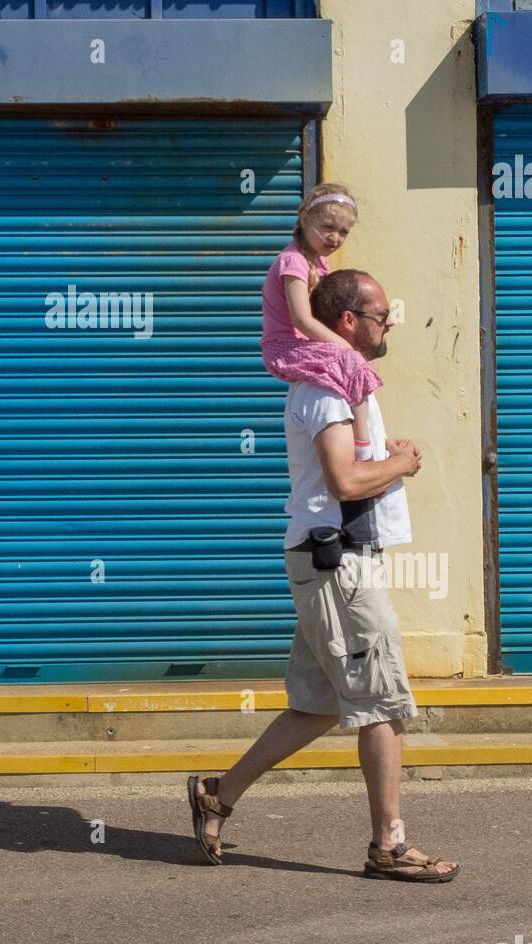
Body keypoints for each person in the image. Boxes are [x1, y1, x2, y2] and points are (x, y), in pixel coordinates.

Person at [187, 269, 460, 882]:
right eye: (380, 314)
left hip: (333, 562)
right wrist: (402, 464)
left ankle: (216, 794)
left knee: (316, 706)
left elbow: (351, 469)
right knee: (383, 703)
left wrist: (387, 458)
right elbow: (344, 482)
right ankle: (388, 847)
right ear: (347, 322)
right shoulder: (327, 389)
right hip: (340, 567)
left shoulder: (341, 383)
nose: (389, 322)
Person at [261, 183, 380, 460]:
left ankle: (362, 436)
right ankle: (363, 447)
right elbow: (302, 320)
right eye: (327, 227)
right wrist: (345, 348)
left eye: (343, 232)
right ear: (305, 220)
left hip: (301, 345)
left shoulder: (318, 263)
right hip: (285, 347)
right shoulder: (294, 262)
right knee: (352, 361)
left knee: (361, 360)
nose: (335, 237)